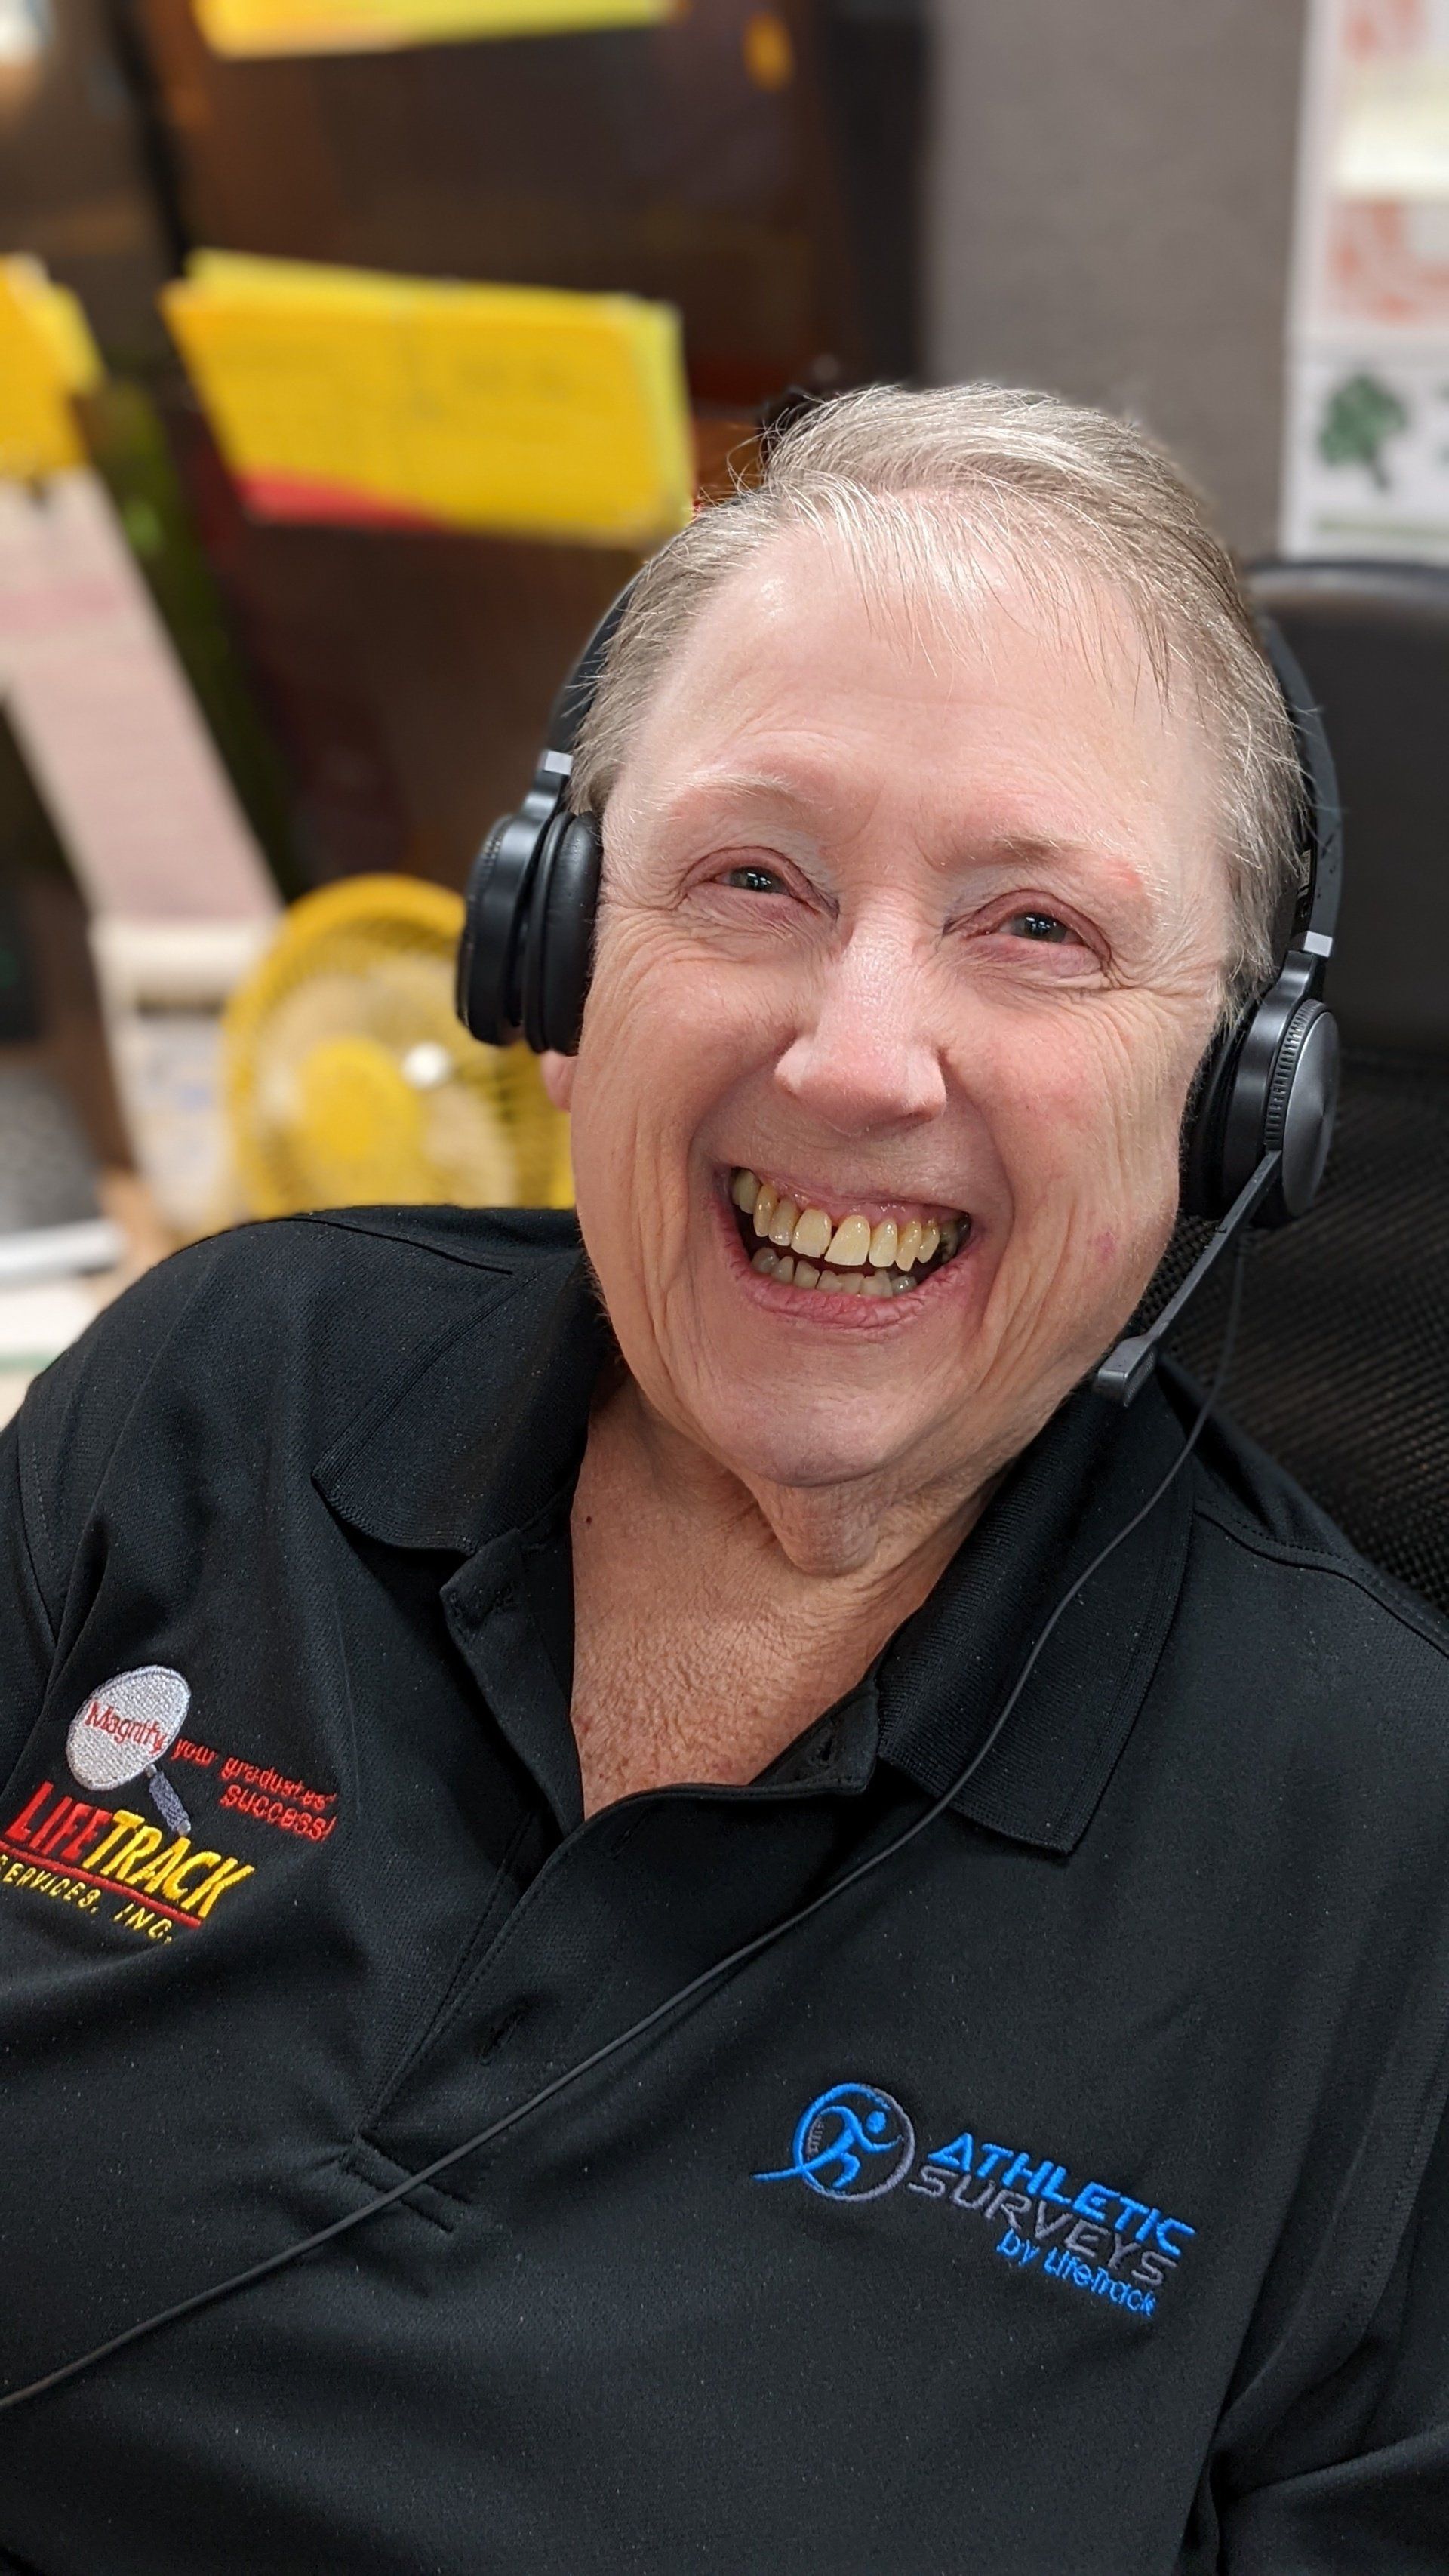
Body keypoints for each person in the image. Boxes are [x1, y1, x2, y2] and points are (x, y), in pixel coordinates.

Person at [2, 386, 1447, 2576]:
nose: (858, 1055)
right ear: (562, 957)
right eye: (751, 879)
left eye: (1036, 926)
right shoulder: (223, 1392)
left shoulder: (1379, 1847)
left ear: (1237, 1100)